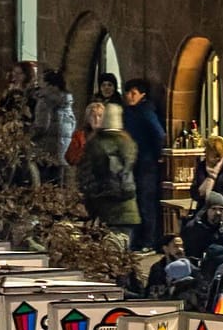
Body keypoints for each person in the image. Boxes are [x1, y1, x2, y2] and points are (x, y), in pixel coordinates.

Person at [79, 103, 141, 244]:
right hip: (129, 206)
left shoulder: (96, 143)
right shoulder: (128, 142)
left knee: (108, 252)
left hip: (105, 206)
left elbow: (86, 175)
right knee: (123, 248)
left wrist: (88, 203)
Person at [122, 79, 167, 250]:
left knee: (146, 201)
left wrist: (157, 155)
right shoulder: (129, 111)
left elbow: (158, 134)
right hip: (134, 162)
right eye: (127, 92)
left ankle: (148, 240)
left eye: (133, 93)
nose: (129, 96)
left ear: (142, 95)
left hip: (146, 163)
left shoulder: (146, 112)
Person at [30, 69, 75, 183]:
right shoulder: (67, 102)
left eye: (40, 80)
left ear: (47, 84)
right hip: (62, 151)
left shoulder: (44, 101)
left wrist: (27, 136)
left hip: (45, 151)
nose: (38, 83)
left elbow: (41, 126)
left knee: (45, 187)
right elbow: (72, 124)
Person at [193, 135, 223, 210]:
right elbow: (194, 191)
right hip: (202, 210)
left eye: (208, 150)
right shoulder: (201, 166)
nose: (205, 152)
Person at [182, 192, 223, 259]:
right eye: (214, 209)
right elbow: (191, 255)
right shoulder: (194, 228)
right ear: (206, 210)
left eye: (221, 209)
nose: (218, 213)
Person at [67, 101, 104, 169]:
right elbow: (71, 159)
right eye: (93, 116)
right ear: (88, 118)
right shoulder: (78, 137)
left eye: (100, 115)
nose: (97, 119)